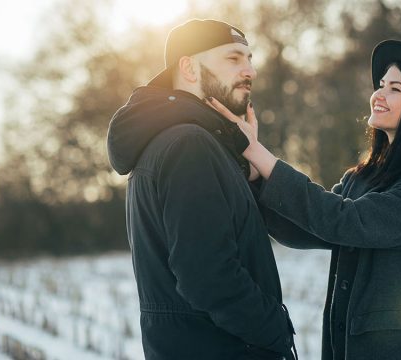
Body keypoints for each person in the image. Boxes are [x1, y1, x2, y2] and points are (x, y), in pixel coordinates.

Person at [206, 40, 401, 360]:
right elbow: (312, 228)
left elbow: (347, 221)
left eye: (395, 88)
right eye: (381, 84)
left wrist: (257, 153)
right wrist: (258, 179)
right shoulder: (363, 177)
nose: (378, 94)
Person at [106, 19, 296, 360]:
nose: (250, 70)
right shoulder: (189, 145)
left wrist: (247, 164)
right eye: (234, 58)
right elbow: (207, 277)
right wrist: (275, 330)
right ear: (189, 67)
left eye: (250, 59)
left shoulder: (175, 141)